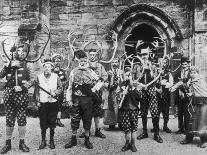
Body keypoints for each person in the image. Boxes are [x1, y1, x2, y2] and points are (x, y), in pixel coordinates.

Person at [64, 50, 101, 149]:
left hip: (87, 100)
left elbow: (100, 81)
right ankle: (73, 139)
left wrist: (93, 89)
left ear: (87, 61)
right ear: (79, 61)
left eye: (85, 61)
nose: (83, 63)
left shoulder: (90, 71)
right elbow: (69, 87)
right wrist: (68, 99)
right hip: (76, 99)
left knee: (87, 119)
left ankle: (87, 139)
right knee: (74, 119)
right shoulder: (73, 71)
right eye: (81, 61)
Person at [0, 44, 31, 154]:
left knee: (22, 118)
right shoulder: (7, 63)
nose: (20, 52)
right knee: (9, 118)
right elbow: (0, 75)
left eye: (22, 51)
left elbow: (32, 80)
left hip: (21, 95)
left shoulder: (27, 64)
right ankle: (8, 143)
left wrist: (22, 87)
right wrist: (6, 66)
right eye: (18, 50)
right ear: (13, 52)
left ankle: (22, 143)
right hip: (9, 94)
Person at [34, 59, 62, 150]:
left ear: (52, 68)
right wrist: (37, 101)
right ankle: (43, 141)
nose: (47, 68)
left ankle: (51, 140)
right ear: (43, 68)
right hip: (43, 102)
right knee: (43, 122)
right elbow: (37, 90)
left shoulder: (56, 76)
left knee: (52, 121)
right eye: (45, 67)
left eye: (49, 67)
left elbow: (61, 88)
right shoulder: (39, 76)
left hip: (53, 102)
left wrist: (56, 92)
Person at [136, 47, 163, 143]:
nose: (144, 56)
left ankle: (156, 134)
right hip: (142, 91)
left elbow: (157, 78)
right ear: (140, 55)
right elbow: (135, 79)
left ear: (149, 55)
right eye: (142, 55)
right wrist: (140, 85)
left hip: (152, 90)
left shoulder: (154, 66)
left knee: (155, 112)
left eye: (146, 54)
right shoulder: (137, 66)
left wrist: (149, 69)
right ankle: (144, 132)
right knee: (143, 112)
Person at [79, 49, 107, 139]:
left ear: (96, 55)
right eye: (90, 54)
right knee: (85, 112)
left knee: (97, 112)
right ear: (88, 55)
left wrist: (97, 87)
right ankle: (86, 130)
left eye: (93, 54)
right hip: (86, 92)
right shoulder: (84, 65)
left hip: (97, 92)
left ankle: (97, 130)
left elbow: (104, 77)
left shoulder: (100, 66)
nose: (92, 56)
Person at [179, 66, 207, 148]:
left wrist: (192, 94)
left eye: (194, 72)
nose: (192, 74)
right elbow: (188, 90)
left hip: (201, 104)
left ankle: (204, 140)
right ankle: (189, 137)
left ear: (198, 73)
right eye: (191, 72)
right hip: (192, 104)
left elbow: (204, 93)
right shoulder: (190, 81)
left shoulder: (201, 81)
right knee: (189, 120)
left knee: (202, 121)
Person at [119, 68, 140, 152]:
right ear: (124, 76)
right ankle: (127, 143)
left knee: (133, 128)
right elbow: (118, 97)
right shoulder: (121, 85)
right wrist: (121, 94)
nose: (128, 77)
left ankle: (133, 143)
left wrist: (133, 88)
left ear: (132, 76)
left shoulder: (136, 86)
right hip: (125, 109)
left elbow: (139, 97)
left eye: (129, 75)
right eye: (126, 75)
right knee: (126, 128)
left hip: (134, 109)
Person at [104, 58, 124, 130]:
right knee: (111, 108)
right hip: (111, 92)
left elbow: (124, 81)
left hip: (119, 92)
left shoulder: (121, 72)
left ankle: (121, 124)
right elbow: (105, 81)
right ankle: (111, 125)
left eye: (116, 62)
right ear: (111, 64)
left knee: (120, 108)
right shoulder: (108, 72)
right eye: (113, 62)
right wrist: (108, 85)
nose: (114, 64)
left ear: (118, 64)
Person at [172, 56, 191, 134]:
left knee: (187, 113)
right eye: (183, 64)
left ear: (188, 64)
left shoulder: (191, 73)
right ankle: (181, 128)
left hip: (187, 96)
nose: (184, 66)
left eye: (186, 64)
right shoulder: (178, 74)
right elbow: (175, 84)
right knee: (180, 113)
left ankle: (187, 129)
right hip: (179, 96)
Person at [155, 57, 173, 133]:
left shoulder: (168, 73)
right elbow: (152, 82)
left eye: (165, 63)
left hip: (165, 94)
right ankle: (156, 127)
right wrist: (156, 89)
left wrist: (165, 84)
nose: (163, 64)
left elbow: (171, 83)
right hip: (157, 95)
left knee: (166, 112)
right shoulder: (155, 72)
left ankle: (165, 126)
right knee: (156, 112)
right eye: (162, 63)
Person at [52, 53, 68, 127]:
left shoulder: (63, 71)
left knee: (59, 106)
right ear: (53, 62)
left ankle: (58, 120)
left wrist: (63, 85)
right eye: (56, 61)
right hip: (52, 91)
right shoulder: (51, 71)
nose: (57, 63)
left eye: (59, 61)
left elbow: (65, 81)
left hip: (60, 91)